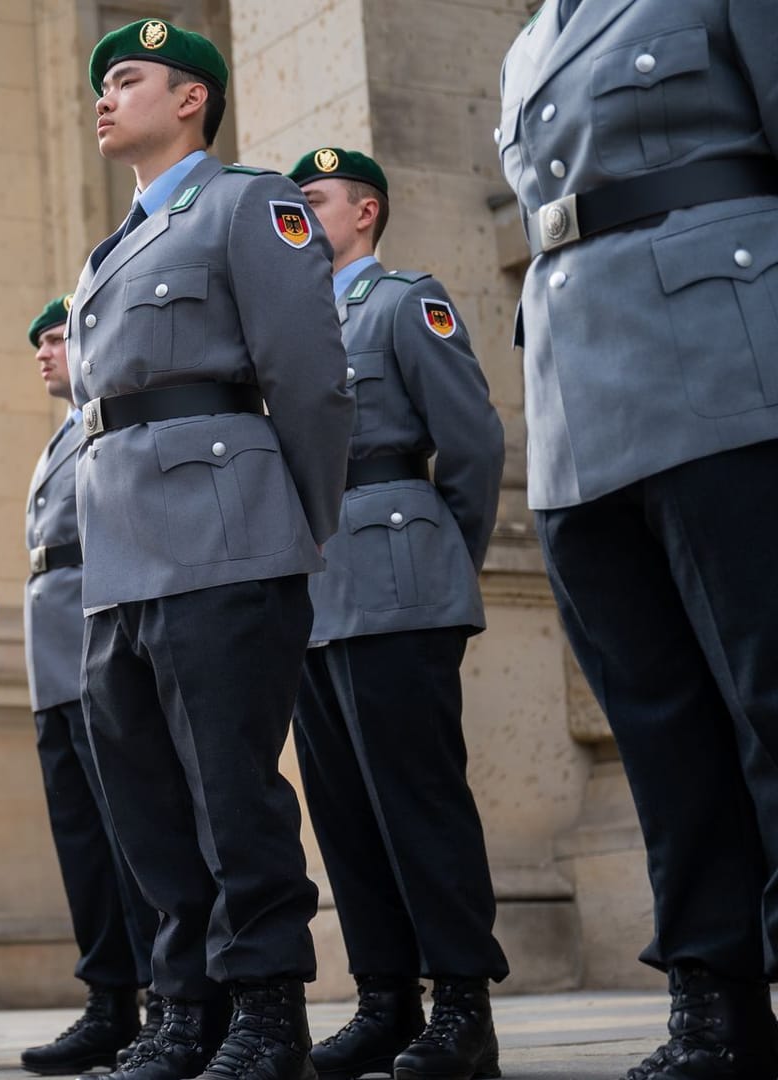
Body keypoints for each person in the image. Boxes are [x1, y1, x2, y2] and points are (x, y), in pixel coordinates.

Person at [497, 3, 778, 1076]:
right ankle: (717, 999)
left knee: (769, 690)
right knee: (660, 728)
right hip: (580, 402)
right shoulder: (530, 40)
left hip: (730, 361)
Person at [70, 19, 353, 1080]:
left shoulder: (246, 203)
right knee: (146, 798)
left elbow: (313, 377)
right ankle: (184, 1006)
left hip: (226, 534)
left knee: (233, 793)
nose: (105, 97)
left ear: (191, 97)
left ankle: (268, 1010)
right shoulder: (110, 249)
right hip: (121, 553)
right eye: (102, 84)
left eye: (129, 78)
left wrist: (297, 518)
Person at [285, 146, 509, 1080]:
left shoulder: (402, 302)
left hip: (396, 575)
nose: (298, 216)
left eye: (316, 201)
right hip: (311, 594)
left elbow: (472, 441)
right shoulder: (287, 325)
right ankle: (385, 1001)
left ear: (366, 212)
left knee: (418, 802)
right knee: (342, 813)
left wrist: (439, 552)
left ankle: (462, 1007)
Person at [14, 295, 158, 1076]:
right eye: (38, 342)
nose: (43, 352)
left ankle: (160, 996)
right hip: (51, 656)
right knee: (82, 841)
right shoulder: (58, 438)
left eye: (57, 337)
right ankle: (109, 998)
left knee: (129, 832)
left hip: (101, 636)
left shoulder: (107, 419)